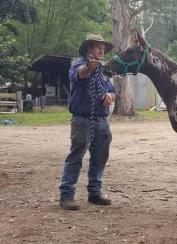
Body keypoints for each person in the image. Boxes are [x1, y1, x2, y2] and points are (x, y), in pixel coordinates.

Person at [59, 34, 115, 210]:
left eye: (103, 48)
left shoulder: (104, 70)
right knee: (76, 156)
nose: (102, 50)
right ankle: (66, 195)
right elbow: (79, 74)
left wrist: (110, 96)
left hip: (101, 120)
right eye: (98, 47)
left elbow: (113, 90)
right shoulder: (79, 63)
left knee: (100, 158)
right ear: (89, 48)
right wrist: (89, 68)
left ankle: (94, 193)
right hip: (82, 119)